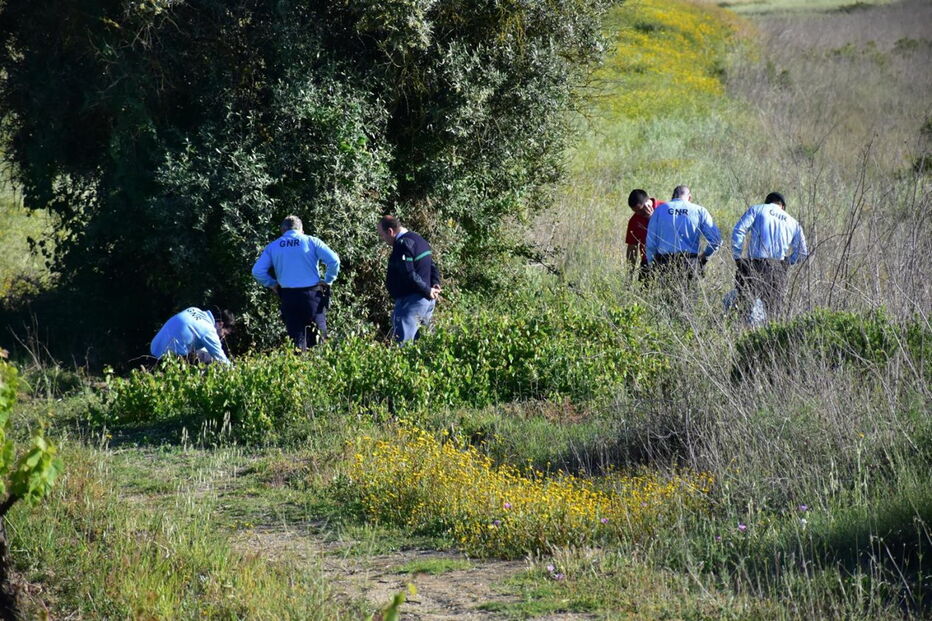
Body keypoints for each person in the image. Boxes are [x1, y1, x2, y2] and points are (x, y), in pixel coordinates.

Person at [252, 215, 340, 350]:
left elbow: (257, 271)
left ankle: (300, 367)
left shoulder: (274, 246)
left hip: (288, 297)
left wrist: (272, 284)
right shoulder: (311, 241)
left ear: (282, 231)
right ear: (301, 230)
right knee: (319, 342)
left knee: (297, 343)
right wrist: (328, 280)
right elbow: (334, 260)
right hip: (312, 296)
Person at [731, 192, 808, 319]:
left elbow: (739, 231)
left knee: (743, 308)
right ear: (782, 206)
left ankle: (742, 335)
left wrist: (737, 257)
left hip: (754, 265)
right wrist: (787, 262)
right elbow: (803, 252)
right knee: (774, 314)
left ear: (767, 202)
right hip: (777, 269)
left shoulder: (757, 209)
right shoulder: (794, 223)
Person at [377, 215, 441, 343]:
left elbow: (408, 273)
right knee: (423, 344)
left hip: (412, 303)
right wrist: (435, 283)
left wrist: (427, 290)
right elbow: (432, 265)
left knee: (403, 344)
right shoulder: (419, 240)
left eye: (382, 235)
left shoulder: (403, 244)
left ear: (390, 231)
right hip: (427, 301)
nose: (383, 239)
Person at [645, 185, 722, 284]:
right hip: (690, 262)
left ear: (672, 197)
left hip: (664, 262)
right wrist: (705, 256)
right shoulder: (699, 210)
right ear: (689, 197)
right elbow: (716, 240)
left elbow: (651, 241)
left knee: (665, 298)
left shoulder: (659, 210)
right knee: (688, 298)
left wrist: (651, 263)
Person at [150, 307, 234, 365]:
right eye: (225, 333)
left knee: (203, 353)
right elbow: (220, 357)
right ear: (220, 324)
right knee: (210, 359)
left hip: (153, 349)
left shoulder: (194, 310)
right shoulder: (209, 330)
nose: (223, 337)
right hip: (167, 360)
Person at [625, 189, 662, 277]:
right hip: (647, 262)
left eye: (640, 210)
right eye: (635, 211)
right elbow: (632, 249)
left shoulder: (665, 208)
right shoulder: (634, 220)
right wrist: (629, 274)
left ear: (648, 202)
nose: (638, 213)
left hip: (667, 259)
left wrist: (652, 218)